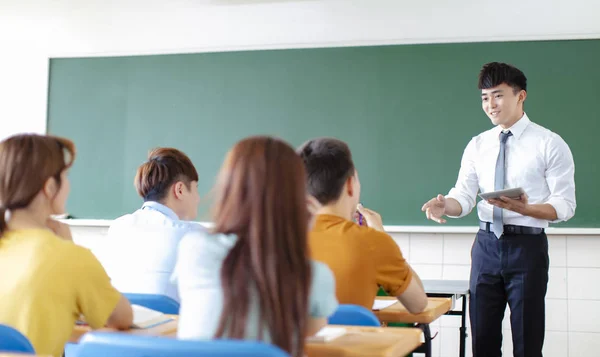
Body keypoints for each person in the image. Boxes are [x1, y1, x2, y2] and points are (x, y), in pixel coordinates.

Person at [421, 62, 576, 357]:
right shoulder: (478, 145)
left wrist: (526, 208)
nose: (490, 105)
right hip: (485, 248)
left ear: (521, 96)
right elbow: (463, 198)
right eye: (484, 98)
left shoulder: (549, 144)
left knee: (527, 342)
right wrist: (445, 205)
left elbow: (565, 205)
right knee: (483, 342)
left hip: (527, 247)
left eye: (498, 95)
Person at [172, 136, 338, 357]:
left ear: (229, 187)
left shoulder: (193, 248)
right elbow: (310, 329)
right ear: (296, 197)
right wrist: (300, 234)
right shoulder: (311, 273)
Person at [0, 134, 133, 357]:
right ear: (50, 187)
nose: (69, 185)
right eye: (66, 176)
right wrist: (67, 247)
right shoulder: (70, 257)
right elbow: (122, 318)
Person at [298, 137, 427, 313]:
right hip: (352, 341)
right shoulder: (373, 242)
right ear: (350, 185)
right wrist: (381, 234)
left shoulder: (279, 239)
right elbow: (418, 304)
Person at [96, 147, 202, 302]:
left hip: (124, 323)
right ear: (179, 190)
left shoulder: (119, 227)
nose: (198, 198)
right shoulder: (194, 237)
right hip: (173, 325)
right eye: (195, 189)